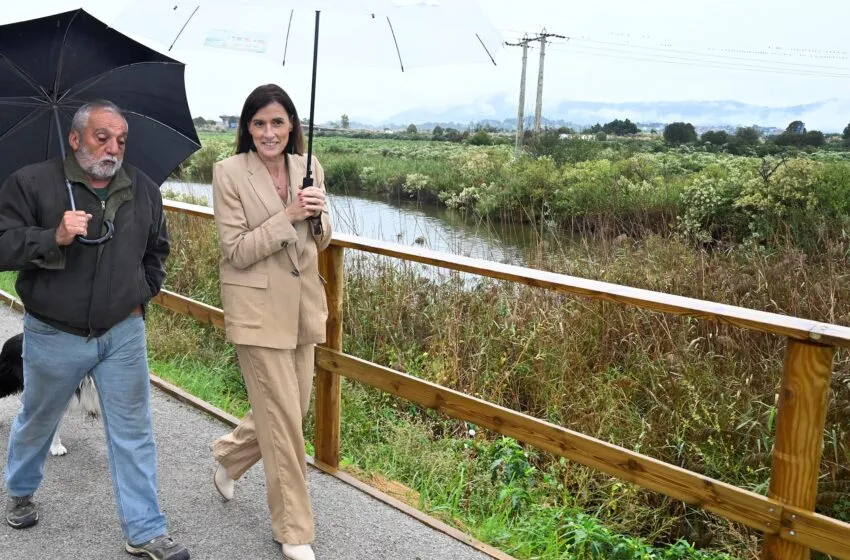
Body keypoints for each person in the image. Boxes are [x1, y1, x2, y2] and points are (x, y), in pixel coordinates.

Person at [0, 100, 189, 560]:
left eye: (121, 140)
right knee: (39, 419)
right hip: (53, 332)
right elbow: (3, 245)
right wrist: (53, 237)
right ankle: (21, 489)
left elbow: (157, 249)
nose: (113, 148)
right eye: (102, 137)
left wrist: (141, 294)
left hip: (123, 332)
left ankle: (145, 530)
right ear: (75, 138)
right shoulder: (32, 183)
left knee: (134, 431)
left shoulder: (142, 189)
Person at [209, 84, 331, 560]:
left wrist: (317, 218)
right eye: (258, 123)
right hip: (257, 312)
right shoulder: (228, 173)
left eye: (277, 122)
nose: (268, 132)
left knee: (289, 412)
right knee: (283, 422)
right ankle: (294, 530)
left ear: (292, 127)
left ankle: (228, 457)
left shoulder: (309, 166)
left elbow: (319, 241)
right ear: (246, 128)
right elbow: (235, 250)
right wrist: (289, 214)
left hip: (302, 308)